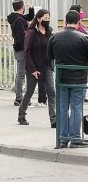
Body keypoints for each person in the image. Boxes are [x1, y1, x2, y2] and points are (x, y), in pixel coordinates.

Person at [47, 10, 88, 148]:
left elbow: (50, 56)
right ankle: (76, 138)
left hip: (61, 79)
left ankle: (63, 138)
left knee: (62, 107)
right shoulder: (84, 38)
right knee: (77, 107)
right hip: (79, 79)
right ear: (78, 23)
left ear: (65, 22)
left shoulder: (54, 37)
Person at [17, 9, 56, 128]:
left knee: (51, 91)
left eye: (49, 18)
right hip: (33, 68)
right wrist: (33, 70)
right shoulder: (31, 32)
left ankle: (53, 119)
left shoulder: (49, 31)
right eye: (45, 18)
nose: (47, 20)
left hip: (47, 66)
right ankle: (21, 115)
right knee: (29, 91)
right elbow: (27, 52)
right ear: (38, 19)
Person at [7, 0, 35, 106]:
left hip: (21, 49)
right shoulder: (18, 20)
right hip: (22, 49)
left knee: (21, 73)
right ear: (22, 8)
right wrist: (27, 48)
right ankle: (19, 98)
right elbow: (22, 36)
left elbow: (30, 17)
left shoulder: (18, 18)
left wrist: (31, 8)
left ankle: (21, 97)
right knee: (21, 74)